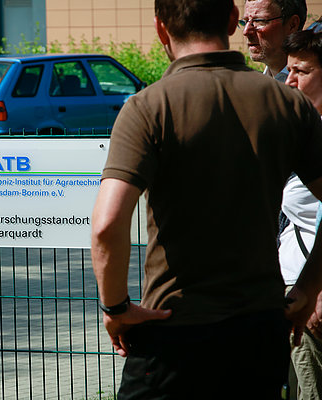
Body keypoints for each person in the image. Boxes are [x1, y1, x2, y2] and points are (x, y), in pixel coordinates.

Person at [91, 0, 322, 399]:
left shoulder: (148, 107)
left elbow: (108, 225)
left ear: (161, 29)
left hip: (172, 332)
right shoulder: (287, 103)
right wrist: (309, 286)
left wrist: (116, 308)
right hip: (258, 333)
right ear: (234, 20)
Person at [282, 29, 322, 400]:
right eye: (289, 70)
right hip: (299, 297)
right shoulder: (306, 130)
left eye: (302, 72)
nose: (290, 82)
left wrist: (317, 290)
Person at [242, 0, 306, 82]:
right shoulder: (256, 83)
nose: (246, 31)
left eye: (259, 21)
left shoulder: (313, 86)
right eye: (246, 21)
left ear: (292, 25)